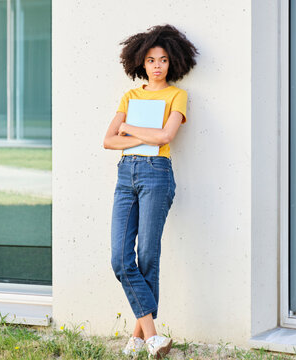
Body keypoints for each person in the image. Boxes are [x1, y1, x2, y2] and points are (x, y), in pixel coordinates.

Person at [103, 24, 198, 358]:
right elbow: (108, 141)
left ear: (172, 62)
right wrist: (138, 132)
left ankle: (140, 337)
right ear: (140, 64)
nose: (157, 65)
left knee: (147, 257)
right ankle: (151, 337)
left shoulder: (177, 96)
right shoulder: (131, 96)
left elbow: (165, 137)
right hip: (125, 175)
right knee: (120, 258)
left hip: (157, 173)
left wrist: (129, 128)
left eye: (163, 60)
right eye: (150, 60)